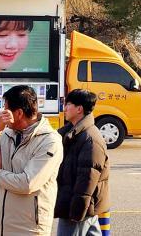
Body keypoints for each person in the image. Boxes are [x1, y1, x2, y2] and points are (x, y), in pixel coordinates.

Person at [0, 85, 63, 236]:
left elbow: (27, 183)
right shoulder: (6, 133)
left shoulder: (50, 141)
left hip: (27, 229)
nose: (2, 113)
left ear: (19, 113)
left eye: (6, 109)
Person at [55, 89, 110, 236]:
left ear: (79, 109)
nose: (64, 108)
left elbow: (87, 180)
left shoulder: (90, 139)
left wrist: (76, 212)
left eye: (68, 104)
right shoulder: (72, 133)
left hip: (77, 208)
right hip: (80, 206)